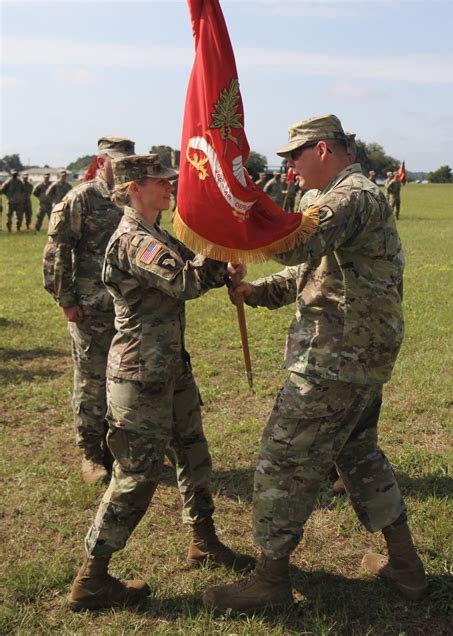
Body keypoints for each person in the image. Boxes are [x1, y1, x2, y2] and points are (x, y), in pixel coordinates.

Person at [203, 114, 426, 614]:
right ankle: (407, 568)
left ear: (324, 150)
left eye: (294, 156)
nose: (289, 168)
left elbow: (298, 240)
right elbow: (309, 269)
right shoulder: (329, 198)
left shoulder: (354, 196)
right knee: (359, 456)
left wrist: (235, 219)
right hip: (356, 355)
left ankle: (269, 581)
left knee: (282, 460)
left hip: (337, 359)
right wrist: (256, 290)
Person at [68, 153, 255, 612]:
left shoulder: (156, 233)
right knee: (136, 477)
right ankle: (91, 578)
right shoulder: (134, 240)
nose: (171, 186)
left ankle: (204, 541)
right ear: (134, 187)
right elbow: (186, 281)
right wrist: (216, 256)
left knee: (194, 454)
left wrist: (224, 263)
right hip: (140, 377)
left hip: (170, 369)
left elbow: (194, 268)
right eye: (161, 180)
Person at [43, 136, 135, 484]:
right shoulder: (82, 198)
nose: (122, 166)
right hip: (90, 309)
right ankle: (91, 454)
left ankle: (118, 447)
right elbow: (56, 252)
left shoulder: (131, 198)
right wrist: (66, 300)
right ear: (102, 161)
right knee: (92, 381)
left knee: (123, 380)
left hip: (127, 309)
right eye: (116, 161)